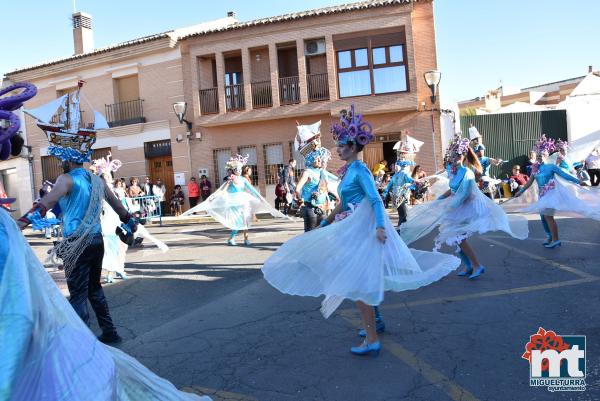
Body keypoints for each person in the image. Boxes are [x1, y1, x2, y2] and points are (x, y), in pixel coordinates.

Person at [262, 105, 459, 356]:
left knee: (358, 283)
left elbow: (376, 200)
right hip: (349, 230)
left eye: (343, 145)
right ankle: (374, 325)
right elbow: (343, 203)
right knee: (364, 279)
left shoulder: (361, 170)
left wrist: (379, 226)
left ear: (355, 147)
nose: (339, 149)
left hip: (363, 232)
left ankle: (372, 339)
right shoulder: (348, 173)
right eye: (339, 144)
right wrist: (325, 223)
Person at [17, 120, 137, 346]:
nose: (60, 162)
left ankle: (82, 344)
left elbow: (48, 201)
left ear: (69, 157)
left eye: (62, 158)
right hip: (96, 241)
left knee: (79, 294)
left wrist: (21, 222)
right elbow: (119, 207)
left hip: (76, 244)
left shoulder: (66, 179)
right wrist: (131, 223)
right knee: (95, 289)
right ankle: (110, 332)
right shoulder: (98, 180)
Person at [401, 134, 528, 279]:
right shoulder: (454, 172)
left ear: (462, 157)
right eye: (452, 156)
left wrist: (448, 207)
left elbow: (464, 194)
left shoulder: (467, 172)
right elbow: (453, 189)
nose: (453, 159)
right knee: (454, 238)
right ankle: (468, 266)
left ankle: (477, 265)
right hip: (456, 206)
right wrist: (440, 199)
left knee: (459, 238)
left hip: (466, 208)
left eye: (456, 156)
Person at [183, 154, 289, 246]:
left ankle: (246, 239)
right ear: (233, 170)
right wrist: (213, 197)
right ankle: (231, 238)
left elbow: (252, 189)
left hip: (244, 201)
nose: (238, 171)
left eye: (239, 169)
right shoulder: (231, 180)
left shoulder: (243, 179)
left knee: (246, 220)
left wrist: (259, 197)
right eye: (236, 169)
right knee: (238, 221)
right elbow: (223, 190)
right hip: (233, 202)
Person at [514, 135, 591, 248]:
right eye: (538, 155)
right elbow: (529, 182)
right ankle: (549, 236)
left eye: (542, 155)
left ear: (546, 156)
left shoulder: (551, 167)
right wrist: (520, 192)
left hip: (551, 194)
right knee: (543, 217)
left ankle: (556, 240)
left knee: (548, 216)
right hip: (542, 195)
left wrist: (578, 181)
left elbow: (565, 175)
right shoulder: (536, 168)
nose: (539, 157)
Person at [92, 154, 129, 283]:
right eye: (105, 176)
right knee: (109, 249)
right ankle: (110, 273)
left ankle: (119, 269)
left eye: (109, 175)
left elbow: (121, 205)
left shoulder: (116, 190)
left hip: (117, 221)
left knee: (121, 247)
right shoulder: (100, 191)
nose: (108, 177)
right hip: (106, 222)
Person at [294, 127, 332, 232]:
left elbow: (326, 188)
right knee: (310, 234)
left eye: (320, 158)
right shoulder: (307, 172)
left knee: (323, 234)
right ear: (311, 160)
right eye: (317, 158)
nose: (319, 160)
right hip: (310, 208)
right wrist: (300, 199)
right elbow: (298, 187)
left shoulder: (322, 172)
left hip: (322, 207)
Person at [383, 162, 414, 230]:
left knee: (401, 213)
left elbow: (389, 186)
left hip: (395, 196)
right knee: (403, 214)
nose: (395, 167)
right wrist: (414, 185)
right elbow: (412, 182)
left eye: (396, 166)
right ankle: (401, 229)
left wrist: (384, 194)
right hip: (400, 196)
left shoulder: (395, 175)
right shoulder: (404, 174)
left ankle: (402, 228)